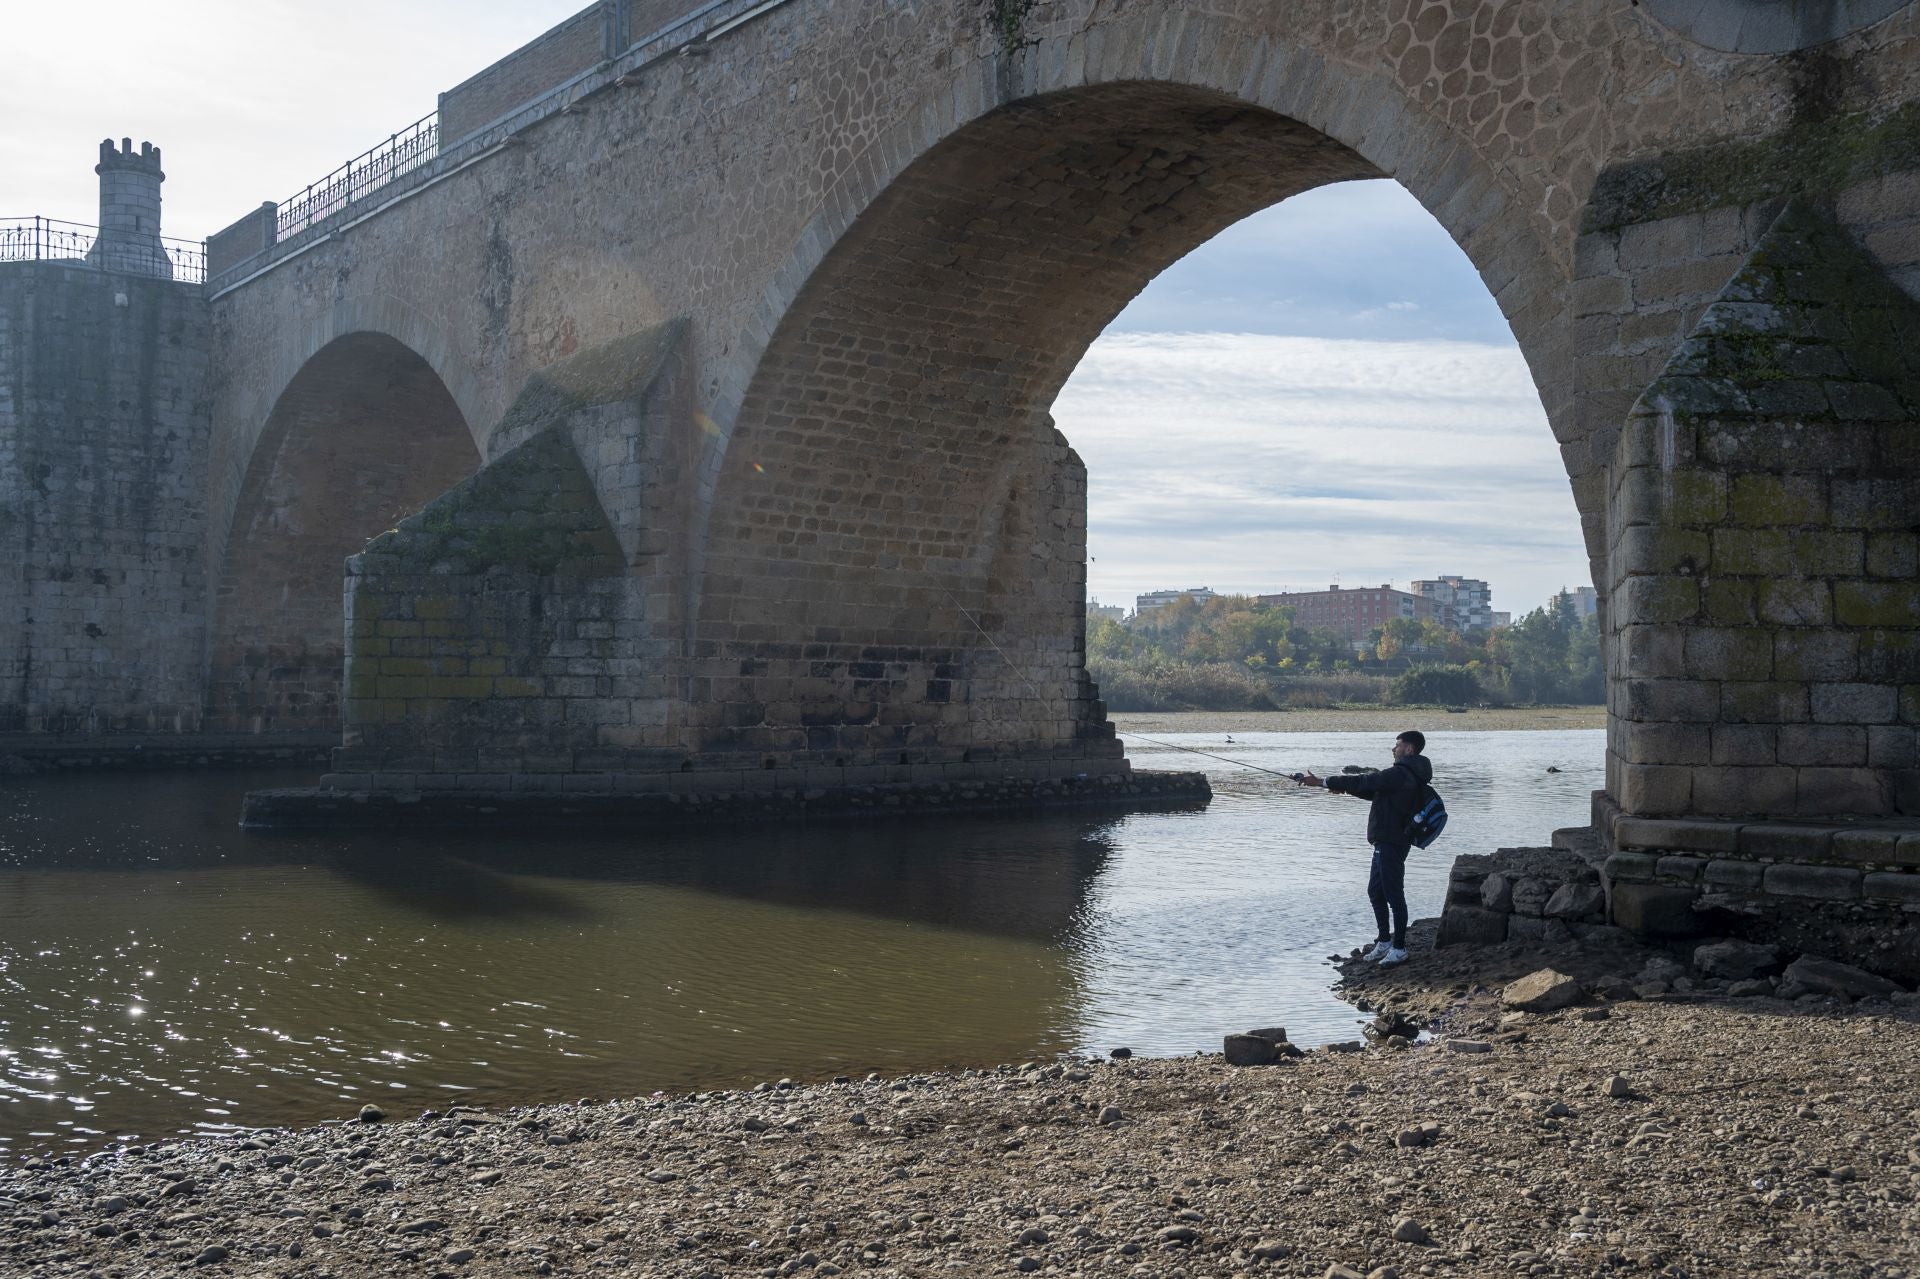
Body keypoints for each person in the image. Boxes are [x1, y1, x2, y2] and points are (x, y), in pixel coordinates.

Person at [1294, 730, 1432, 968]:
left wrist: (1323, 781)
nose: (1393, 749)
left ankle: (1399, 948)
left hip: (1392, 841)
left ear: (1409, 749)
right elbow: (1374, 792)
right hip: (1386, 840)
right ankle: (1385, 941)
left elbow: (1365, 781)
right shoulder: (1408, 774)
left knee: (1394, 895)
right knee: (1375, 892)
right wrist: (1338, 787)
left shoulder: (1400, 773)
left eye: (1397, 745)